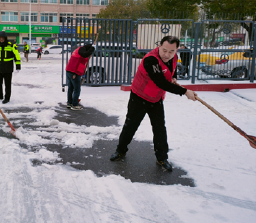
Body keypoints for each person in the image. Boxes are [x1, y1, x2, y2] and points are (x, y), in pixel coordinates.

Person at [109, 36, 197, 171]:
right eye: (164, 50)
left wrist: (174, 77)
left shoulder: (173, 57)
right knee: (130, 126)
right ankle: (120, 151)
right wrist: (185, 92)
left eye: (171, 51)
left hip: (156, 98)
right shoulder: (151, 60)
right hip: (139, 97)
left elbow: (172, 70)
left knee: (160, 128)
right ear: (159, 46)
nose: (167, 54)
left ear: (176, 50)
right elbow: (161, 82)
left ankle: (162, 158)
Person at [0, 31, 21, 104]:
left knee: (7, 84)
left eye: (3, 38)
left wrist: (18, 66)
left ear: (5, 38)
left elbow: (16, 55)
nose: (1, 39)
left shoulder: (11, 45)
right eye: (0, 38)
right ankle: (0, 96)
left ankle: (7, 98)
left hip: (8, 68)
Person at [65, 44, 95, 110]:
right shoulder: (81, 49)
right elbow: (85, 54)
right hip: (74, 72)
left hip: (70, 71)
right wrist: (92, 49)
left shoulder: (78, 51)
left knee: (71, 88)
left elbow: (83, 59)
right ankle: (74, 105)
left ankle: (69, 103)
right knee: (77, 89)